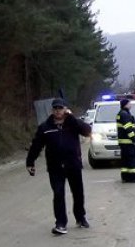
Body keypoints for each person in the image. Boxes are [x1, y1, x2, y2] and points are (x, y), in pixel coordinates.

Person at [26, 99, 93, 235]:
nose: (58, 110)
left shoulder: (72, 124)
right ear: (52, 110)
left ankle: (80, 218)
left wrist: (72, 117)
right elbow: (36, 145)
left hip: (73, 164)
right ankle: (61, 223)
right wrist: (30, 162)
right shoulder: (45, 127)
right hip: (55, 167)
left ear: (65, 109)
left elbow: (87, 131)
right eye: (55, 108)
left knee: (78, 193)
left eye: (60, 108)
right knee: (58, 194)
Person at [117, 98, 135, 183]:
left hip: (123, 142)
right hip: (128, 142)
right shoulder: (125, 114)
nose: (131, 105)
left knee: (125, 160)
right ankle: (133, 177)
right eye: (129, 103)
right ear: (126, 105)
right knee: (132, 159)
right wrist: (134, 138)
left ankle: (125, 177)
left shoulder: (121, 113)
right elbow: (128, 128)